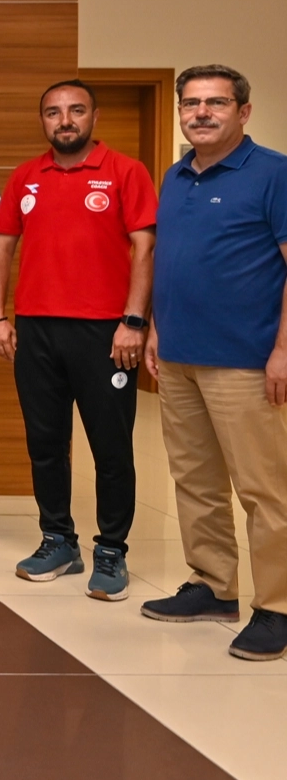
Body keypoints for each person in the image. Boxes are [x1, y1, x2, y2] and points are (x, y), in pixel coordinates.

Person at [0, 80, 157, 602]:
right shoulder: (25, 176)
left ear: (93, 117)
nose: (65, 120)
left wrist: (134, 321)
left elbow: (146, 248)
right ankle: (58, 539)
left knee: (111, 446)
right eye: (53, 112)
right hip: (36, 329)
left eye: (76, 110)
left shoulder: (126, 171)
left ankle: (112, 549)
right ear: (42, 120)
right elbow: (1, 248)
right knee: (45, 443)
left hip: (105, 331)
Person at [141, 64, 287, 662]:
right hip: (179, 357)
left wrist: (283, 349)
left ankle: (277, 607)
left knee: (263, 489)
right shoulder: (175, 176)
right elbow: (171, 259)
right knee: (195, 480)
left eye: (216, 103)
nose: (200, 113)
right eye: (191, 103)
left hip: (245, 361)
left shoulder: (274, 173)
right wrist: (155, 328)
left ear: (243, 112)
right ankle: (212, 585)